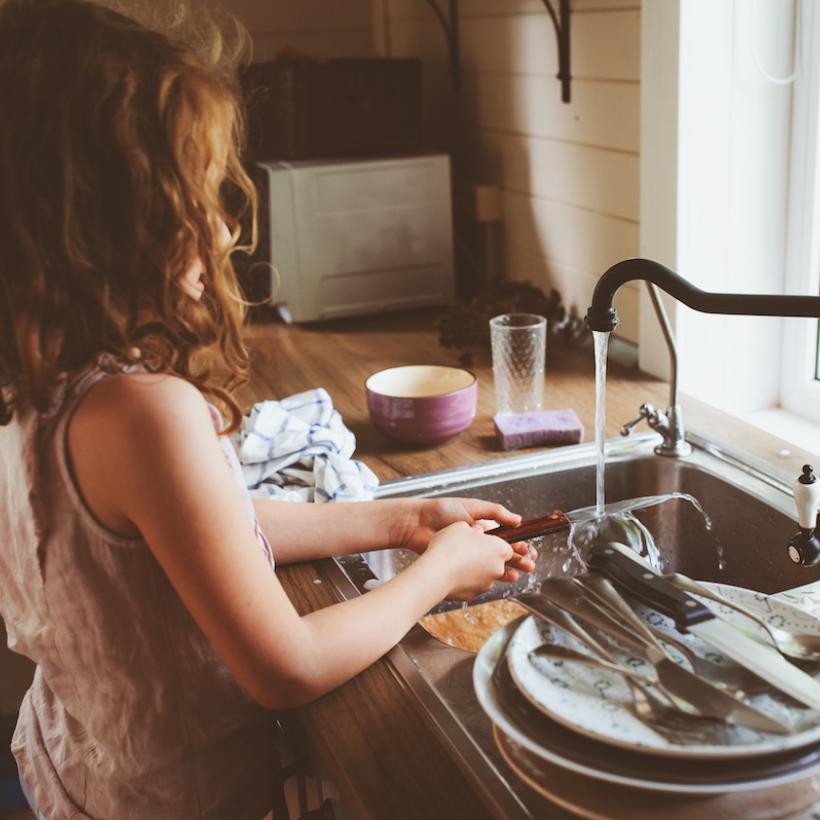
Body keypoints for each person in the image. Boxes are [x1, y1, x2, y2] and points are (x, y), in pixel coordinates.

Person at [0, 2, 536, 817]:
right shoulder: (147, 414)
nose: (222, 228)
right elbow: (285, 667)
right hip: (182, 797)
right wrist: (438, 575)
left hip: (86, 764)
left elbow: (198, 527)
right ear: (105, 218)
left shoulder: (39, 382)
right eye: (195, 192)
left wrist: (400, 519)